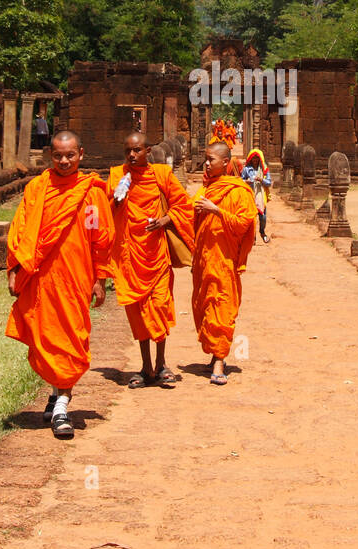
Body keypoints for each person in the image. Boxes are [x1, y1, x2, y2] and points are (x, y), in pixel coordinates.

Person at [5, 130, 114, 439]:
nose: (64, 161)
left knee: (71, 338)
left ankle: (62, 402)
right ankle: (59, 396)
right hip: (42, 279)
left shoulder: (91, 193)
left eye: (70, 155)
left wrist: (100, 279)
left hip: (76, 279)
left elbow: (100, 239)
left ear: (81, 154)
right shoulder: (38, 189)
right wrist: (15, 269)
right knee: (46, 337)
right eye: (58, 156)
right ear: (48, 157)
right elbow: (21, 231)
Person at [102, 131, 194, 389]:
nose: (132, 155)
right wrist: (117, 201)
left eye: (137, 150)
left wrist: (165, 220)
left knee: (161, 307)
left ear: (148, 151)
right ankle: (145, 367)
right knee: (139, 313)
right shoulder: (117, 176)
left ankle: (162, 363)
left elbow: (182, 204)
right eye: (128, 151)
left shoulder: (161, 175)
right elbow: (105, 210)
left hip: (157, 255)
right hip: (131, 255)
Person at [191, 141, 257, 385]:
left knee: (222, 305)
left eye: (212, 160)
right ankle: (213, 354)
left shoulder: (239, 191)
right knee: (205, 306)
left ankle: (219, 361)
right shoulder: (206, 189)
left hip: (224, 260)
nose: (207, 164)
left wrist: (216, 210)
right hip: (204, 259)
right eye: (206, 159)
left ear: (226, 163)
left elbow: (243, 224)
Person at [240, 147, 272, 243]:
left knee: (262, 217)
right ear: (250, 159)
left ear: (260, 159)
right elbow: (240, 180)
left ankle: (262, 232)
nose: (255, 160)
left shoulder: (264, 169)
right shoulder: (246, 169)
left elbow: (269, 183)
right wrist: (246, 181)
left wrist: (261, 180)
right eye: (253, 158)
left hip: (260, 196)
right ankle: (252, 236)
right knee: (251, 217)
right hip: (250, 195)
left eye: (257, 158)